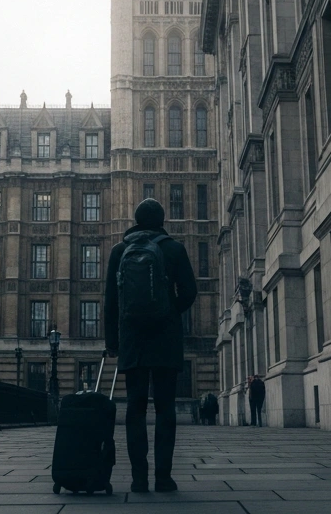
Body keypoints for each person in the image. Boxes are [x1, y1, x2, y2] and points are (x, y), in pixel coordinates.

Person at [105, 198, 198, 494]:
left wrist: (113, 342)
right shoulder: (174, 248)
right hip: (165, 338)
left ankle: (138, 478)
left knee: (135, 408)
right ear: (161, 220)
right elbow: (190, 292)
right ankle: (164, 477)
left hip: (132, 339)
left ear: (136, 219)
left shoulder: (119, 251)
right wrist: (169, 310)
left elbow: (111, 302)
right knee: (165, 408)